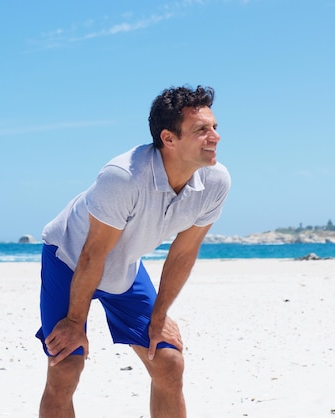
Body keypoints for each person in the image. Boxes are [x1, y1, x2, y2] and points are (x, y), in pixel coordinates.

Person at [36, 85, 231, 418]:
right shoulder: (124, 177)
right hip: (69, 257)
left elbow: (183, 254)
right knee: (66, 363)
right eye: (202, 130)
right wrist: (73, 322)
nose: (215, 137)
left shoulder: (215, 182)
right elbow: (92, 255)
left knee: (168, 361)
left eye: (214, 127)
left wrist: (160, 317)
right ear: (169, 139)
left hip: (124, 264)